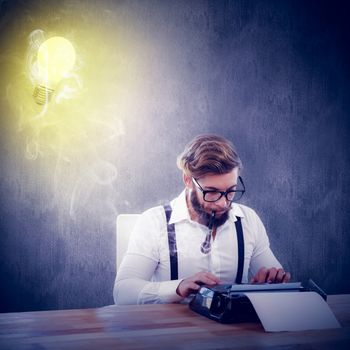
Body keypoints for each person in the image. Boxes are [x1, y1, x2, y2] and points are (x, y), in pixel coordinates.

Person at [113, 134, 290, 304]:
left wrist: (271, 284)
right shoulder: (154, 223)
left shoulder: (248, 220)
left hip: (236, 332)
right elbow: (123, 292)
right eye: (211, 192)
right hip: (175, 331)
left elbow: (279, 284)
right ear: (188, 181)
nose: (223, 203)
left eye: (231, 191)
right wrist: (178, 287)